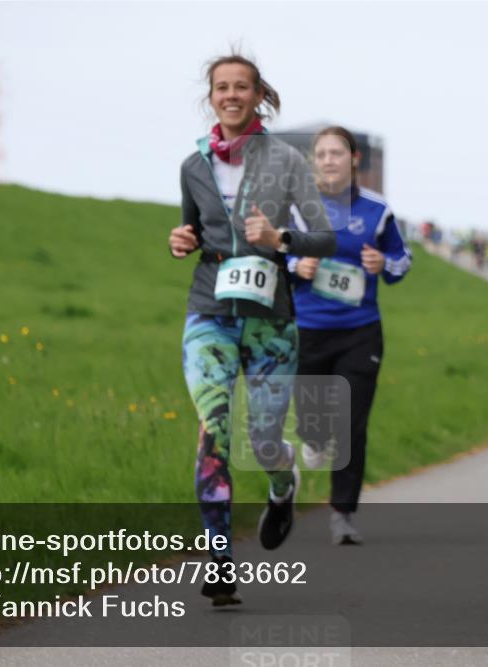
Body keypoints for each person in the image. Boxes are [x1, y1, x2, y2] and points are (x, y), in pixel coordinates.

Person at [169, 53, 336, 606]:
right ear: (211, 96)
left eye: (242, 87)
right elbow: (191, 228)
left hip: (270, 320)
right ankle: (218, 561)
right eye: (222, 87)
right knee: (213, 429)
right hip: (209, 311)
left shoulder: (286, 160)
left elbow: (324, 240)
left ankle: (283, 478)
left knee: (263, 440)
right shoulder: (194, 165)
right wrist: (182, 241)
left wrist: (279, 239)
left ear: (257, 94)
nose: (231, 95)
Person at [286, 126, 412, 545]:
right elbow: (274, 253)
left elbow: (401, 258)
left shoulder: (377, 211)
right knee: (315, 424)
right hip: (309, 330)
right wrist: (295, 267)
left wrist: (382, 263)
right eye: (320, 154)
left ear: (354, 158)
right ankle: (313, 436)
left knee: (353, 425)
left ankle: (343, 515)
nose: (328, 160)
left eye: (336, 153)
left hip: (360, 332)